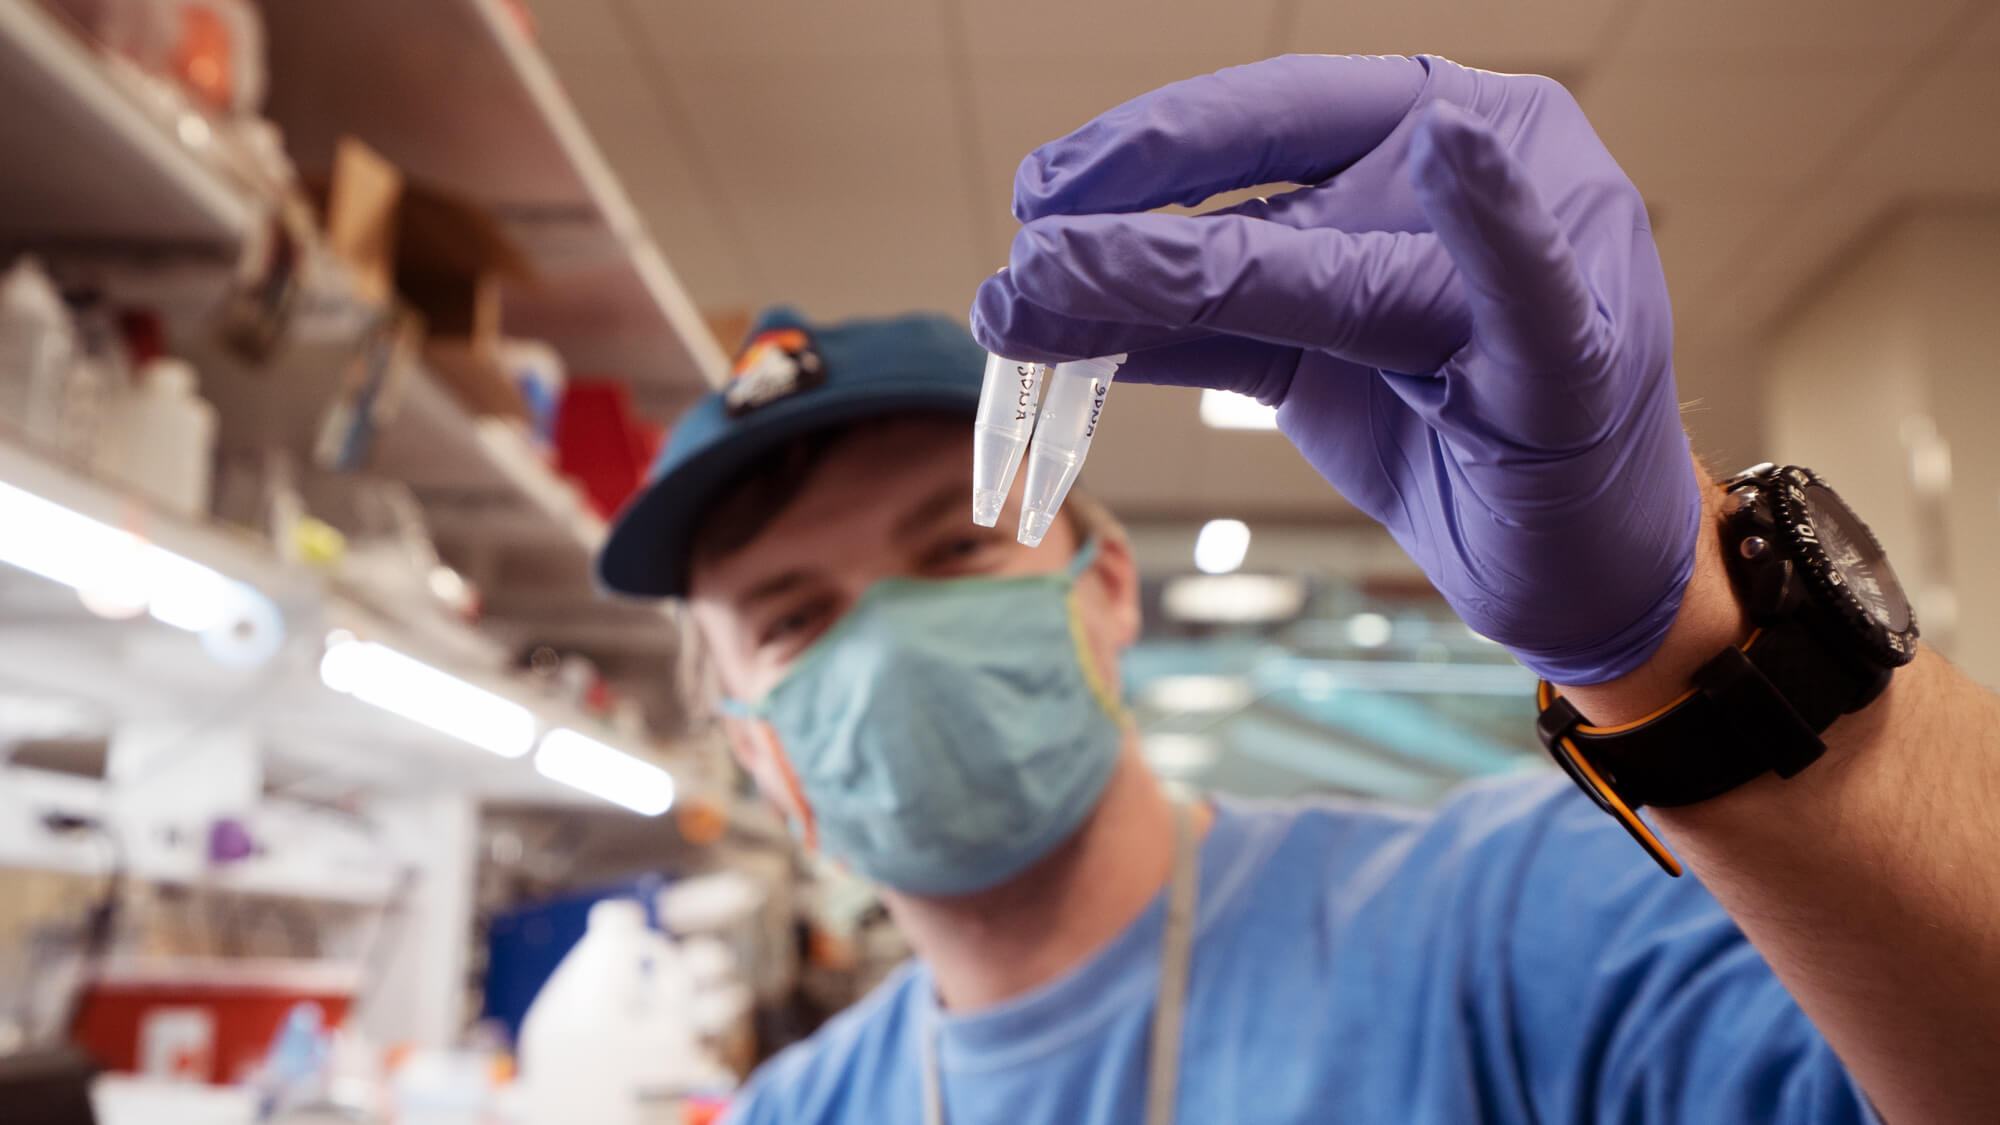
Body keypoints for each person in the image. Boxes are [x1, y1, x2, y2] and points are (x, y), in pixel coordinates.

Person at [596, 55, 2000, 1125]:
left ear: (1111, 588)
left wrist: (1695, 642)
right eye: (791, 617)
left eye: (958, 546)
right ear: (752, 745)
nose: (892, 638)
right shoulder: (798, 1104)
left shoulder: (1504, 925)